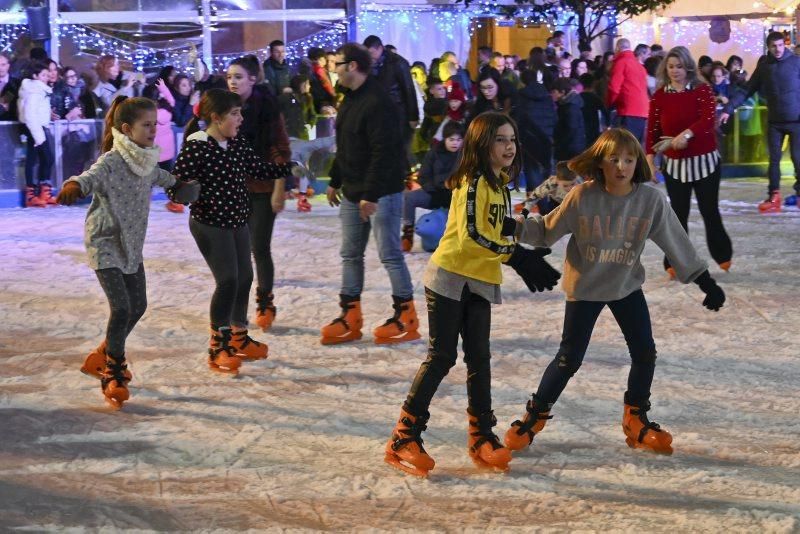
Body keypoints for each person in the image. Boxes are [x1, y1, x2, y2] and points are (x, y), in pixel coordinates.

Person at [504, 128, 726, 457]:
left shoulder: (650, 200)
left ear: (638, 163)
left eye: (629, 159)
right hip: (586, 286)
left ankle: (636, 417)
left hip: (624, 286)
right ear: (600, 163)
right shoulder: (583, 197)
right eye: (613, 160)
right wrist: (513, 225)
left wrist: (705, 282)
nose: (621, 166)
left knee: (645, 352)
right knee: (568, 358)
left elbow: (676, 242)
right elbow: (547, 231)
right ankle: (534, 417)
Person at [384, 112, 560, 477]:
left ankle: (481, 434)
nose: (509, 146)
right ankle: (404, 436)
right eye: (500, 139)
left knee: (480, 357)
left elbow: (497, 227)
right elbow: (473, 236)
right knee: (443, 356)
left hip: (480, 279)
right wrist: (516, 256)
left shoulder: (499, 183)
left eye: (512, 139)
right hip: (450, 277)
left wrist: (525, 243)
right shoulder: (473, 180)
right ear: (482, 144)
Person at [55, 96, 199, 408]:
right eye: (146, 125)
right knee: (121, 308)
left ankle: (103, 353)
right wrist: (73, 186)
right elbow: (88, 177)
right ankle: (114, 371)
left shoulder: (146, 161)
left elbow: (166, 179)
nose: (153, 130)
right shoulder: (112, 161)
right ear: (126, 129)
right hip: (105, 243)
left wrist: (185, 186)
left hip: (132, 245)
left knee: (139, 305)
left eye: (155, 124)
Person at [174, 88, 295, 376]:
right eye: (234, 114)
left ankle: (238, 335)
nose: (240, 118)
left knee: (245, 277)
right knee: (228, 279)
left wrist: (288, 169)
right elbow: (176, 183)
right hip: (209, 223)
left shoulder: (236, 143)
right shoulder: (198, 144)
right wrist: (184, 191)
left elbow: (257, 169)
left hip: (237, 220)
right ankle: (218, 344)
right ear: (216, 118)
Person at [321, 43, 419, 345]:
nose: (333, 69)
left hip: (381, 193)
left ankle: (406, 318)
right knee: (350, 254)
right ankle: (350, 316)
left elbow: (385, 153)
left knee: (390, 254)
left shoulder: (379, 102)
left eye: (337, 64)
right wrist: (335, 180)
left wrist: (371, 194)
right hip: (352, 190)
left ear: (352, 66)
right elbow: (346, 145)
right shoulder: (349, 98)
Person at [647, 46, 733, 276]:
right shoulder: (659, 96)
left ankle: (722, 253)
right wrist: (650, 161)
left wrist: (686, 135)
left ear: (688, 67)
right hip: (675, 166)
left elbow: (707, 119)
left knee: (709, 210)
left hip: (705, 162)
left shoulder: (702, 90)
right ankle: (673, 260)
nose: (675, 71)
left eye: (680, 66)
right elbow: (652, 131)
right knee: (677, 215)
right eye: (671, 66)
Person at [226, 56, 292, 332]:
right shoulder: (223, 107)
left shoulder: (267, 108)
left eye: (238, 77)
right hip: (232, 188)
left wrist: (279, 186)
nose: (232, 82)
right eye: (229, 77)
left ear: (253, 79)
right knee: (235, 252)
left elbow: (280, 148)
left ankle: (265, 302)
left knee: (259, 248)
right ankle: (235, 307)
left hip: (263, 188)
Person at [720, 31, 800, 211]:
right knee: (774, 159)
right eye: (774, 46)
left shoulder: (796, 62)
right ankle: (774, 196)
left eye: (780, 45)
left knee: (798, 157)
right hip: (775, 122)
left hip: (797, 121)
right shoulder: (764, 66)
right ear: (768, 48)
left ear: (784, 44)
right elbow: (747, 90)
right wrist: (728, 109)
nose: (778, 49)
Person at [401, 120, 464, 252]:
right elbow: (423, 177)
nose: (455, 143)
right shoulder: (434, 153)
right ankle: (407, 236)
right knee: (410, 198)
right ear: (445, 139)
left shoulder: (465, 155)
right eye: (451, 139)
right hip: (434, 193)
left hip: (455, 197)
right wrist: (435, 186)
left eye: (458, 140)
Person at [363, 35, 420, 168]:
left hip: (397, 111)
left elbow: (408, 89)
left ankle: (404, 176)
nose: (370, 56)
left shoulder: (398, 63)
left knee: (399, 147)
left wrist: (413, 116)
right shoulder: (369, 64)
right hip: (378, 112)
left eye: (371, 53)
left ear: (380, 48)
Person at [18, 61, 55, 207]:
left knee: (40, 159)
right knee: (43, 158)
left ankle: (42, 193)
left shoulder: (41, 90)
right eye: (44, 75)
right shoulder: (35, 90)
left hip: (38, 128)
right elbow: (30, 115)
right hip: (34, 129)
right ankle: (32, 195)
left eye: (48, 74)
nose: (47, 77)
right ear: (35, 76)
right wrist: (39, 137)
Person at [606, 39, 649, 143]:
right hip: (642, 112)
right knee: (636, 147)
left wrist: (608, 104)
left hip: (628, 110)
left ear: (617, 48)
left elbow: (614, 88)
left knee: (625, 147)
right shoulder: (640, 66)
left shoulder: (621, 63)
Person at [0, 52, 21, 121]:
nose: (0, 68)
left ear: (8, 66)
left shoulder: (17, 83)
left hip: (11, 124)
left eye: (3, 65)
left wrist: (10, 107)